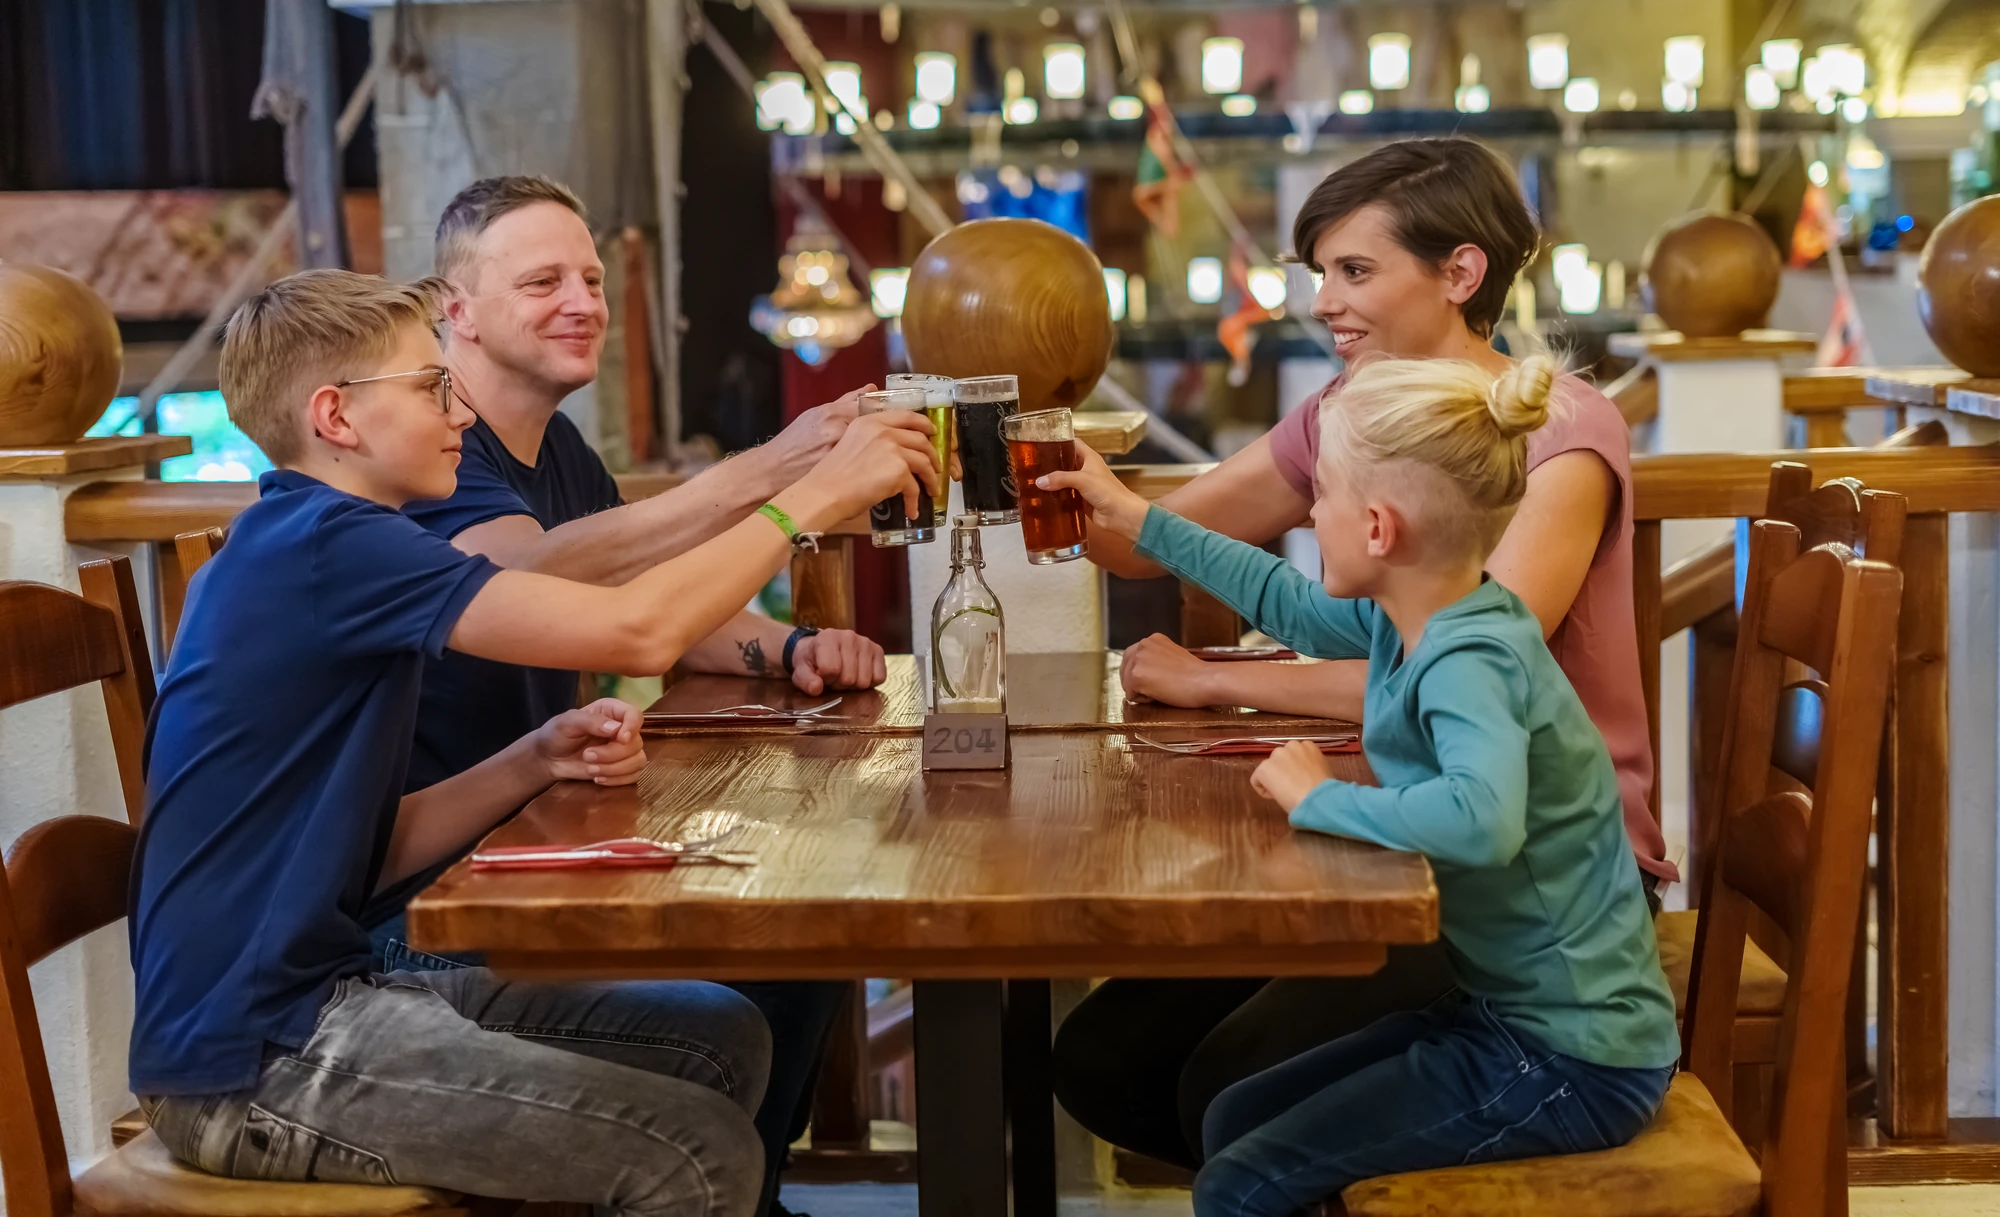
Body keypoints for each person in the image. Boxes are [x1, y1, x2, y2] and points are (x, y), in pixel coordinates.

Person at [133, 270, 938, 1217]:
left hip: (322, 998)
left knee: (724, 1034)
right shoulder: (329, 545)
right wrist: (812, 493)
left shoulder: (329, 540)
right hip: (254, 1059)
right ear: (336, 417)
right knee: (697, 1152)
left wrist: (533, 758)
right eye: (430, 387)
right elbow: (638, 632)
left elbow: (364, 848)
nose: (458, 413)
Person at [1051, 137, 1674, 1170]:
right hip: (1403, 824)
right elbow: (1130, 543)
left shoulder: (1560, 432)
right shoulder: (1349, 416)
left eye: (1353, 270)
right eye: (1318, 275)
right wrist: (1058, 470)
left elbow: (1458, 670)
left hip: (1543, 875)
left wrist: (1217, 681)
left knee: (1222, 1086)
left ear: (1459, 273)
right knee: (1107, 1055)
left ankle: (1309, 1172)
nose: (1323, 303)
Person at [359, 176, 880, 1215]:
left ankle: (746, 1197)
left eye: (591, 278)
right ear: (453, 310)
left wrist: (792, 648)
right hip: (414, 911)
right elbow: (545, 579)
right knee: (770, 958)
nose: (582, 301)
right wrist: (773, 472)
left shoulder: (553, 445)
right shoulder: (429, 460)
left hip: (534, 848)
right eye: (542, 279)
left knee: (809, 941)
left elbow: (641, 597)